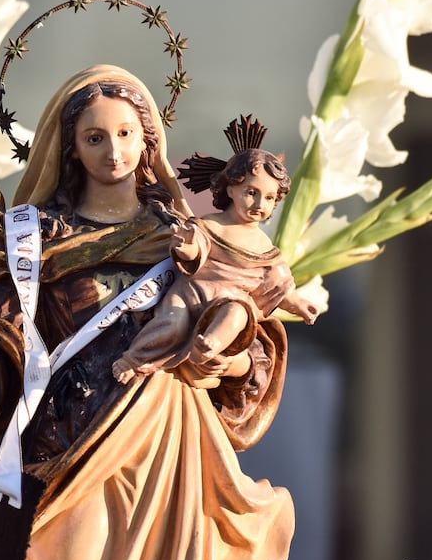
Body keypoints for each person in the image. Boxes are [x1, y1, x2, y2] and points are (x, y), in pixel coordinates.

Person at [0, 65, 294, 560]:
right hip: (67, 443)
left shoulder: (185, 239)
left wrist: (225, 357)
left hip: (163, 446)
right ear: (69, 146)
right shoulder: (39, 242)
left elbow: (245, 331)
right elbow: (2, 337)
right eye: (95, 137)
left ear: (147, 141)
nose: (113, 150)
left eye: (125, 134)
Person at [110, 146, 318, 388]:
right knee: (171, 325)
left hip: (229, 302)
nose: (260, 204)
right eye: (251, 192)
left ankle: (208, 347)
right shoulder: (211, 225)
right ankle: (133, 359)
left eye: (270, 198)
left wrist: (300, 305)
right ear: (231, 188)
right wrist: (186, 249)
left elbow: (280, 286)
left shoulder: (265, 248)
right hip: (190, 295)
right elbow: (194, 249)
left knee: (237, 314)